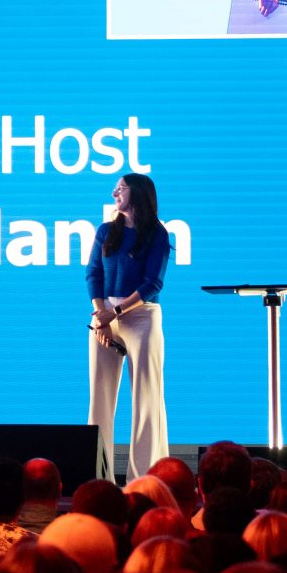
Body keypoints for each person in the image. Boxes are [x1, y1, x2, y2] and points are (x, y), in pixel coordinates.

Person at [86, 173, 173, 480]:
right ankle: (99, 478)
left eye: (120, 189)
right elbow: (93, 275)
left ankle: (144, 480)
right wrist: (102, 315)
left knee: (146, 399)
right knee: (100, 398)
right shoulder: (106, 231)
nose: (114, 193)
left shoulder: (158, 235)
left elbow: (153, 283)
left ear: (136, 194)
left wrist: (118, 311)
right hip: (105, 315)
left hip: (142, 316)